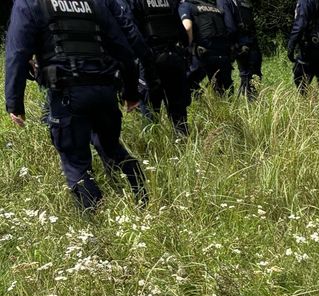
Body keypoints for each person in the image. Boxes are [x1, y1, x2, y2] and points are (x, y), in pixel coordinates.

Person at [5, 0, 148, 210]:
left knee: (76, 162)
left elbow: (17, 53)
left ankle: (93, 222)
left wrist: (14, 102)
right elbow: (122, 48)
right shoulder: (95, 3)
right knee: (113, 148)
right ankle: (144, 200)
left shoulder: (30, 3)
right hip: (104, 91)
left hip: (67, 95)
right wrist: (131, 93)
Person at [132, 0, 190, 132]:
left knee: (150, 111)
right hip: (173, 56)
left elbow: (132, 32)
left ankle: (156, 148)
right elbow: (182, 32)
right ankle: (183, 143)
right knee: (178, 110)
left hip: (150, 60)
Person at [181, 0, 238, 94]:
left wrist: (188, 48)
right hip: (222, 53)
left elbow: (187, 28)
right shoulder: (214, 7)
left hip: (202, 53)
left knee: (188, 83)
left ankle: (201, 102)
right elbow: (230, 28)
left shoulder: (186, 6)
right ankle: (225, 107)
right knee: (225, 90)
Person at [229, 0, 260, 97]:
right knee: (254, 74)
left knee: (246, 75)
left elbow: (230, 27)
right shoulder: (245, 2)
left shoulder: (229, 2)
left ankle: (248, 104)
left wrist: (233, 45)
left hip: (241, 43)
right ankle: (252, 102)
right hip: (252, 42)